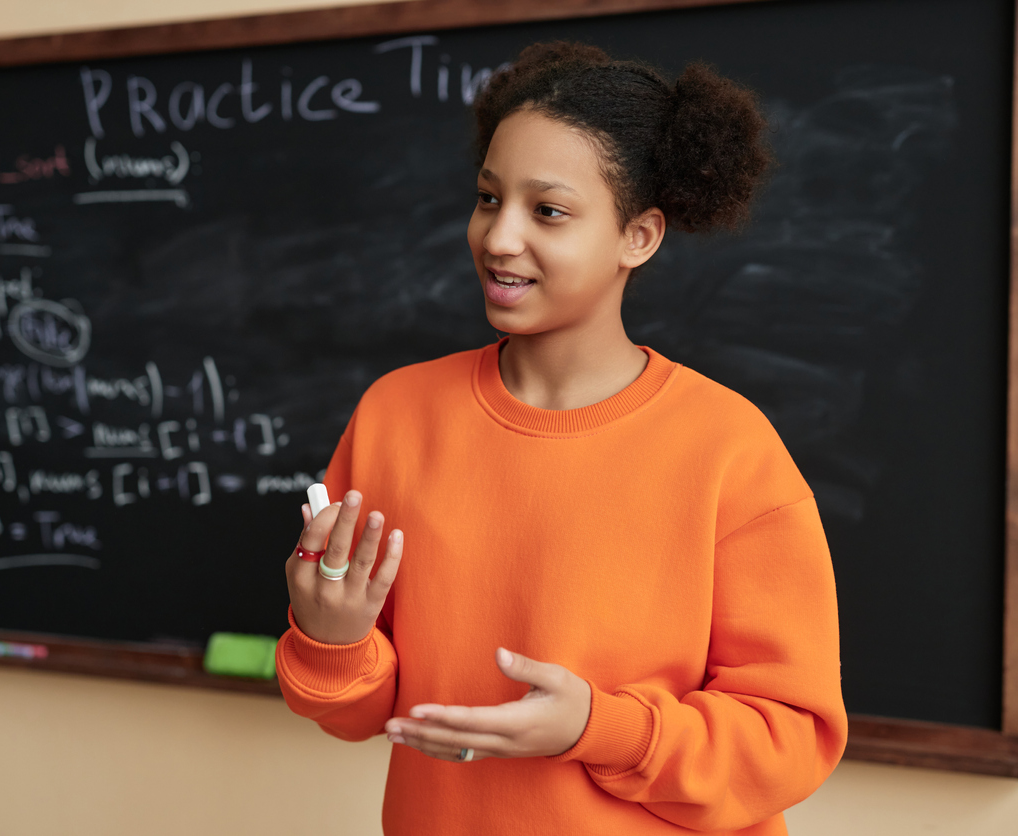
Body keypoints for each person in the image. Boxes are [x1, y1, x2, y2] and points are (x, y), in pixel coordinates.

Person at [276, 41, 847, 835]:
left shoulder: (729, 450)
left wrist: (596, 727)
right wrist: (331, 637)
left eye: (547, 211)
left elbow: (790, 741)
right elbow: (357, 713)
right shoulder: (395, 416)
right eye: (487, 198)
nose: (498, 237)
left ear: (638, 237)